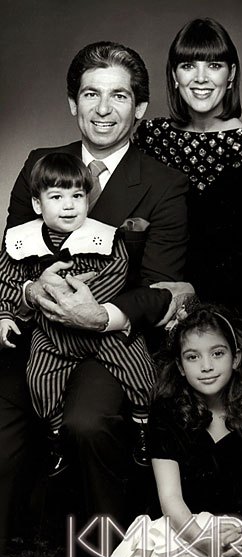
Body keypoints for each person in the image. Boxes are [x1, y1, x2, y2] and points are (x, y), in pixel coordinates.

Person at [0, 40, 191, 557]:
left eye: (119, 96)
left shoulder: (164, 184)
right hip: (37, 336)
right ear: (72, 103)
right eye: (90, 94)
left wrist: (99, 315)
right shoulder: (39, 164)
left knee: (86, 423)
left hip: (111, 343)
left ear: (141, 107)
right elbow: (13, 250)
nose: (103, 109)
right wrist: (30, 292)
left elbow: (160, 287)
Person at [0, 153, 157, 474]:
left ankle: (143, 427)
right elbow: (8, 281)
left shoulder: (105, 237)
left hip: (100, 331)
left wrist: (80, 299)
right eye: (57, 197)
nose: (69, 205)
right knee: (39, 378)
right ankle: (56, 436)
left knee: (137, 365)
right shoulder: (21, 241)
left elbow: (117, 273)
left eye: (77, 196)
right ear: (37, 204)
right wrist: (5, 315)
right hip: (52, 333)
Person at [107, 305, 242, 557]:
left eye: (217, 353)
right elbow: (170, 497)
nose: (206, 366)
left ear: (236, 358)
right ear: (180, 366)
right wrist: (201, 541)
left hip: (239, 527)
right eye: (193, 357)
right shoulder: (166, 414)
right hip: (181, 527)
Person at [134, 18, 242, 322]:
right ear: (174, 75)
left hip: (233, 314)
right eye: (188, 65)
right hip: (156, 309)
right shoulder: (151, 138)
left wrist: (199, 292)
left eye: (214, 65)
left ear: (231, 74)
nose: (201, 78)